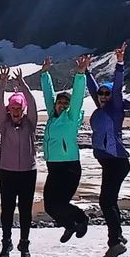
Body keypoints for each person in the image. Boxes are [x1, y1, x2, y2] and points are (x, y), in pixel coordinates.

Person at [86, 43, 130, 257]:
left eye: (106, 93)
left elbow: (118, 87)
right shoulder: (101, 106)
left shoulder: (114, 108)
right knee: (109, 201)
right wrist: (86, 71)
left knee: (106, 201)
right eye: (101, 94)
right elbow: (93, 89)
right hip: (108, 162)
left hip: (117, 161)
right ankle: (118, 239)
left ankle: (115, 242)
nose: (103, 96)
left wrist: (120, 63)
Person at [40, 55, 89, 242]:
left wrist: (80, 74)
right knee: (49, 206)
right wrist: (45, 74)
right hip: (54, 167)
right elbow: (47, 95)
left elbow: (77, 97)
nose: (62, 105)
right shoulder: (52, 117)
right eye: (59, 102)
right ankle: (69, 225)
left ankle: (81, 219)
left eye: (65, 103)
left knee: (60, 203)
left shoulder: (71, 118)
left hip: (69, 167)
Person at [0, 67, 38, 257]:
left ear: (23, 109)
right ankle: (6, 242)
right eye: (12, 108)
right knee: (7, 208)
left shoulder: (30, 124)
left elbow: (34, 105)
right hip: (7, 171)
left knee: (25, 209)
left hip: (28, 171)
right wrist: (2, 83)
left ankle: (25, 243)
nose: (15, 111)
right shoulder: (4, 125)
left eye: (19, 108)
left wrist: (23, 84)